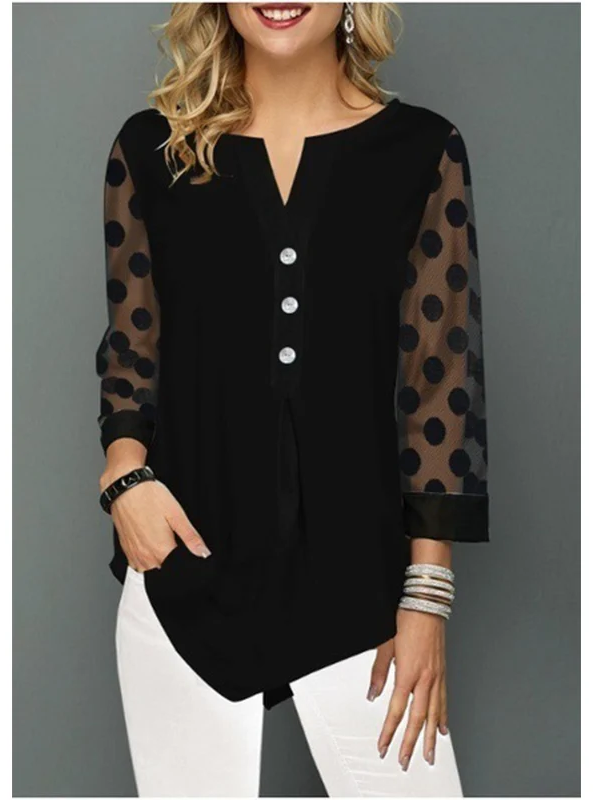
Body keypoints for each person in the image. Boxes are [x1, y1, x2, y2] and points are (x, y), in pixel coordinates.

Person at [96, 3, 489, 796]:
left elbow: (440, 380)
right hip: (184, 578)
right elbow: (133, 347)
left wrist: (427, 597)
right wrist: (125, 479)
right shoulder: (152, 150)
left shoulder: (421, 151)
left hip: (363, 593)